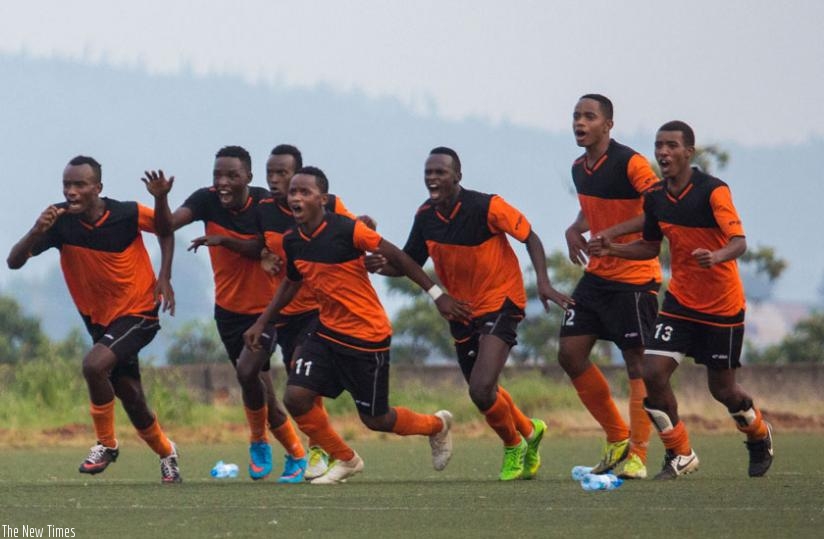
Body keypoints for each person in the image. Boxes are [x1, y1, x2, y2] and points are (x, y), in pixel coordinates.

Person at [244, 166, 466, 484]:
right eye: (293, 191)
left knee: (377, 419)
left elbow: (399, 257)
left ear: (323, 199)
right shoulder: (292, 240)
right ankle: (346, 458)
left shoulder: (349, 231)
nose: (295, 197)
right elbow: (291, 282)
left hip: (367, 335)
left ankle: (436, 425)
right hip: (326, 331)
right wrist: (263, 321)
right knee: (295, 397)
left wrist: (437, 295)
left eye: (304, 192)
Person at [367, 147, 570, 481]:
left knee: (480, 388)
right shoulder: (425, 217)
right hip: (461, 310)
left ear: (457, 176)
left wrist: (544, 283)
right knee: (484, 390)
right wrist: (378, 265)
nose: (433, 178)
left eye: (440, 172)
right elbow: (408, 262)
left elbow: (530, 237)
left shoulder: (487, 206)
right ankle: (530, 430)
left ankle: (512, 446)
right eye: (428, 172)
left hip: (501, 300)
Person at [589, 121, 774, 479]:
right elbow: (649, 246)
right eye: (659, 145)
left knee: (723, 390)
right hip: (680, 303)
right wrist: (613, 247)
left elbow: (740, 241)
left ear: (689, 152)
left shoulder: (713, 192)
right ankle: (681, 451)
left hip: (722, 306)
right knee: (652, 373)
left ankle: (757, 432)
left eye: (672, 145)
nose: (663, 152)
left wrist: (717, 257)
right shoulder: (656, 197)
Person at [7, 155, 181, 483]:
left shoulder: (127, 214)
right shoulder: (58, 221)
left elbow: (165, 228)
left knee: (93, 365)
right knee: (131, 397)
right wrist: (35, 231)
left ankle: (106, 445)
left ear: (97, 187)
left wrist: (165, 274)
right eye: (67, 185)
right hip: (101, 321)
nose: (71, 191)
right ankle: (167, 452)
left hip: (140, 310)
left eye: (80, 185)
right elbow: (14, 262)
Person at [143, 145, 306, 483]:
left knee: (248, 373)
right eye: (218, 175)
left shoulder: (264, 204)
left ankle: (259, 442)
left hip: (267, 309)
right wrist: (161, 199)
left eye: (232, 175)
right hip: (228, 312)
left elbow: (262, 246)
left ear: (248, 176)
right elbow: (166, 226)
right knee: (261, 387)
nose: (223, 182)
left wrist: (225, 240)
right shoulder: (207, 199)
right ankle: (296, 454)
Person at [559, 94, 660, 479]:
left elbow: (658, 206)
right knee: (570, 354)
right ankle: (617, 436)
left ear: (608, 124)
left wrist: (611, 234)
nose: (579, 123)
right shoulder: (579, 168)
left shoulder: (631, 162)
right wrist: (574, 228)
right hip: (597, 278)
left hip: (635, 279)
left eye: (588, 116)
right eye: (575, 116)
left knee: (638, 363)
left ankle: (638, 454)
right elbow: (592, 209)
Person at [256, 144, 372, 480]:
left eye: (284, 173)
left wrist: (369, 227)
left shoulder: (329, 205)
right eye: (271, 174)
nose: (276, 180)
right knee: (292, 378)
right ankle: (321, 449)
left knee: (300, 375)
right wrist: (262, 255)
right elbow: (258, 244)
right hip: (285, 312)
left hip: (318, 308)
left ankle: (319, 450)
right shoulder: (263, 210)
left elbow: (357, 233)